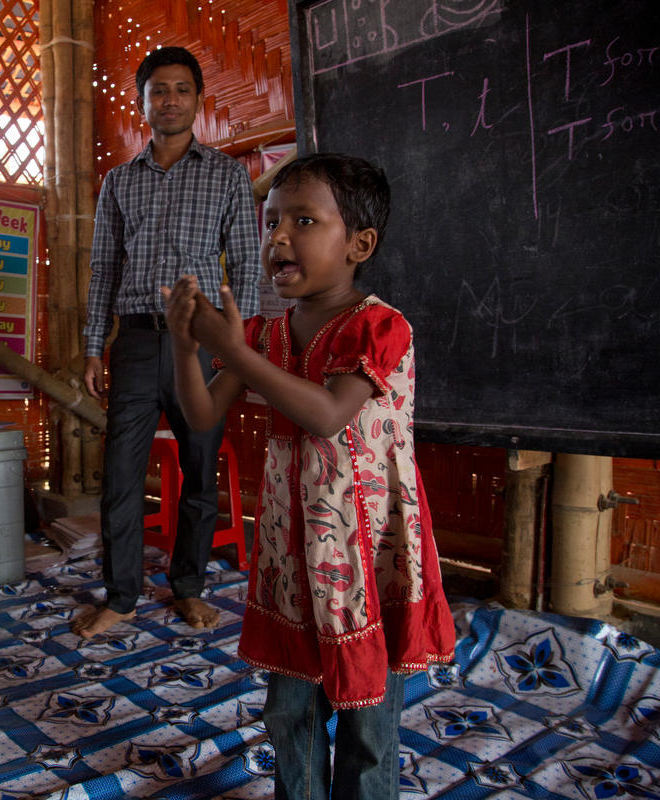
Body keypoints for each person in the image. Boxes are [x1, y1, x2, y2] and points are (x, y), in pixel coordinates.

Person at [163, 154, 456, 800]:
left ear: (359, 245)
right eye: (271, 222)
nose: (278, 237)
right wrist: (186, 348)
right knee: (288, 713)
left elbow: (327, 415)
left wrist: (232, 349)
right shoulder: (264, 334)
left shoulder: (380, 327)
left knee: (367, 725)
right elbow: (203, 414)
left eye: (303, 221)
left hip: (364, 562)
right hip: (290, 561)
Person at [74, 46, 263, 638]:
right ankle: (121, 597)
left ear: (199, 100)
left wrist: (237, 349)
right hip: (134, 343)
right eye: (159, 90)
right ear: (143, 102)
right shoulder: (119, 181)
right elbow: (104, 267)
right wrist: (92, 346)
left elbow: (247, 264)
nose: (171, 100)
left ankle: (188, 588)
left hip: (202, 343)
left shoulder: (227, 175)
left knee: (200, 472)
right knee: (121, 476)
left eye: (182, 89)